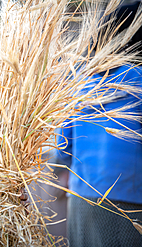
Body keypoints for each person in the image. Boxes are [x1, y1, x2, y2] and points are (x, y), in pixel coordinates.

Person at [56, 2, 142, 246]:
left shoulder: (79, 81)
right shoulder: (138, 79)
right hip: (129, 203)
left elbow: (63, 145)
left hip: (81, 198)